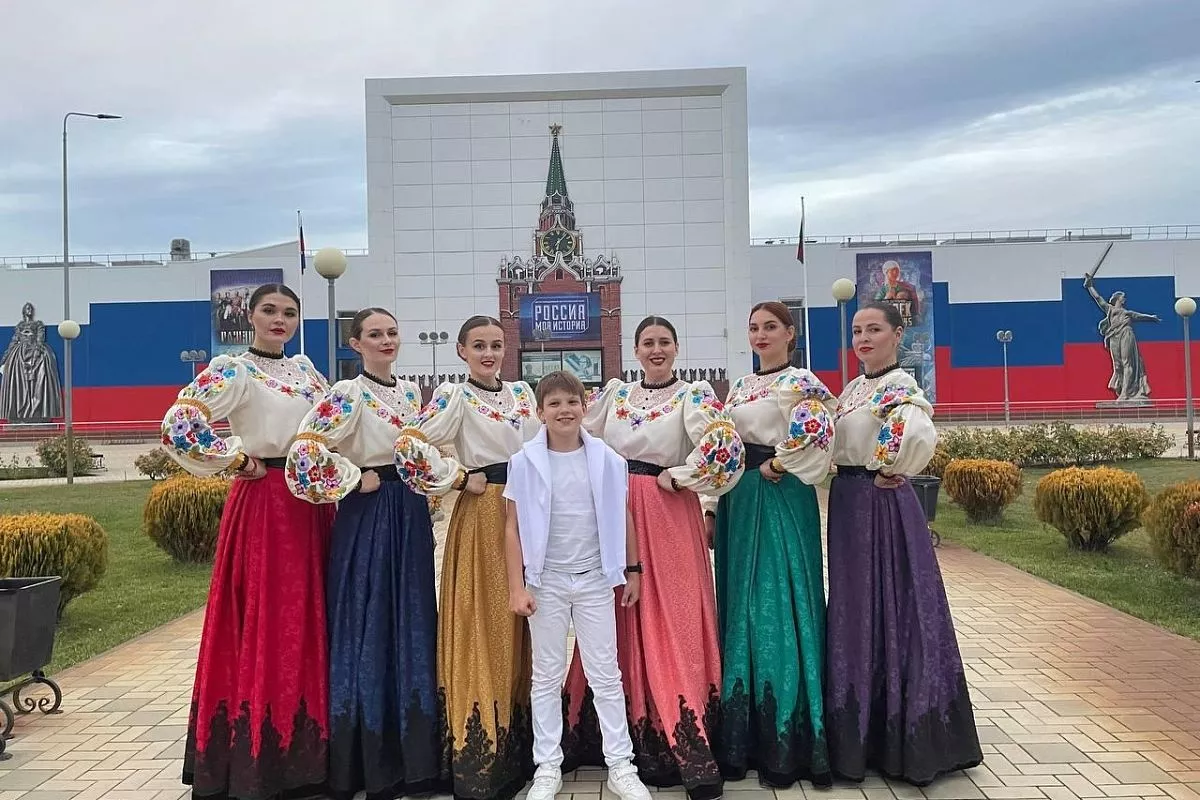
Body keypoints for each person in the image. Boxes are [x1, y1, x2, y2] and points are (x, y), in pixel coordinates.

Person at [159, 283, 335, 800]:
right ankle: (261, 756)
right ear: (250, 317)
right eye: (270, 311)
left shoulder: (308, 373)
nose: (280, 320)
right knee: (270, 619)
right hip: (266, 506)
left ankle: (308, 754)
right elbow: (179, 422)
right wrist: (235, 458)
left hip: (312, 506)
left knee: (311, 619)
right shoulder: (235, 370)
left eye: (289, 313)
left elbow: (336, 429)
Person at [562, 316, 743, 800]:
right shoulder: (616, 395)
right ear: (636, 350)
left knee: (674, 613)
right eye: (648, 343)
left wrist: (683, 475)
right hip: (618, 509)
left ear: (676, 348)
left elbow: (726, 447)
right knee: (617, 610)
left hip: (667, 511)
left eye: (664, 342)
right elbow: (572, 431)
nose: (656, 350)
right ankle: (611, 734)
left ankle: (680, 732)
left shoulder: (693, 395)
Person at [284, 308, 440, 800]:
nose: (386, 340)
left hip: (408, 511)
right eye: (375, 334)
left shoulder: (411, 392)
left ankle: (414, 758)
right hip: (369, 512)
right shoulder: (346, 393)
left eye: (392, 332)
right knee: (367, 618)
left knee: (410, 617)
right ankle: (368, 758)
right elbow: (305, 449)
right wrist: (352, 478)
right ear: (356, 343)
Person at [825, 301, 983, 786]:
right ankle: (859, 732)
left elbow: (912, 433)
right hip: (848, 504)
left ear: (897, 335)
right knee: (856, 608)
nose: (863, 338)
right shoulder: (853, 389)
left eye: (874, 329)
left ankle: (903, 733)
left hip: (881, 501)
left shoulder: (901, 388)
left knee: (894, 605)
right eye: (857, 331)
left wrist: (890, 466)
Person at [392, 315, 540, 800]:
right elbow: (409, 443)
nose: (489, 353)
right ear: (461, 351)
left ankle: (522, 745)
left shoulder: (521, 394)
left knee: (523, 624)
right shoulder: (454, 396)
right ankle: (481, 751)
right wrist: (457, 477)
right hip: (483, 514)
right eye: (479, 346)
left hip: (526, 509)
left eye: (496, 345)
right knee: (485, 620)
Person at [502, 371, 652, 800]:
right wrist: (517, 587)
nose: (564, 410)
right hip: (545, 581)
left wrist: (633, 570)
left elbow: (623, 514)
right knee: (546, 675)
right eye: (554, 404)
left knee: (606, 673)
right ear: (539, 412)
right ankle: (547, 766)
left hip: (593, 581)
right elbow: (512, 528)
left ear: (585, 407)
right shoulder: (524, 461)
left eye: (572, 402)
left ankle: (621, 764)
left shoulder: (607, 459)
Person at [709, 302, 837, 789]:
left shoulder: (801, 382)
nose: (761, 335)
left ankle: (787, 730)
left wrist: (779, 463)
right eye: (754, 328)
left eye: (770, 327)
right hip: (740, 498)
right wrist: (712, 504)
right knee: (741, 603)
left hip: (780, 492)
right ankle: (742, 733)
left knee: (779, 601)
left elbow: (818, 433)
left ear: (790, 333)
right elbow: (722, 446)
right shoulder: (741, 387)